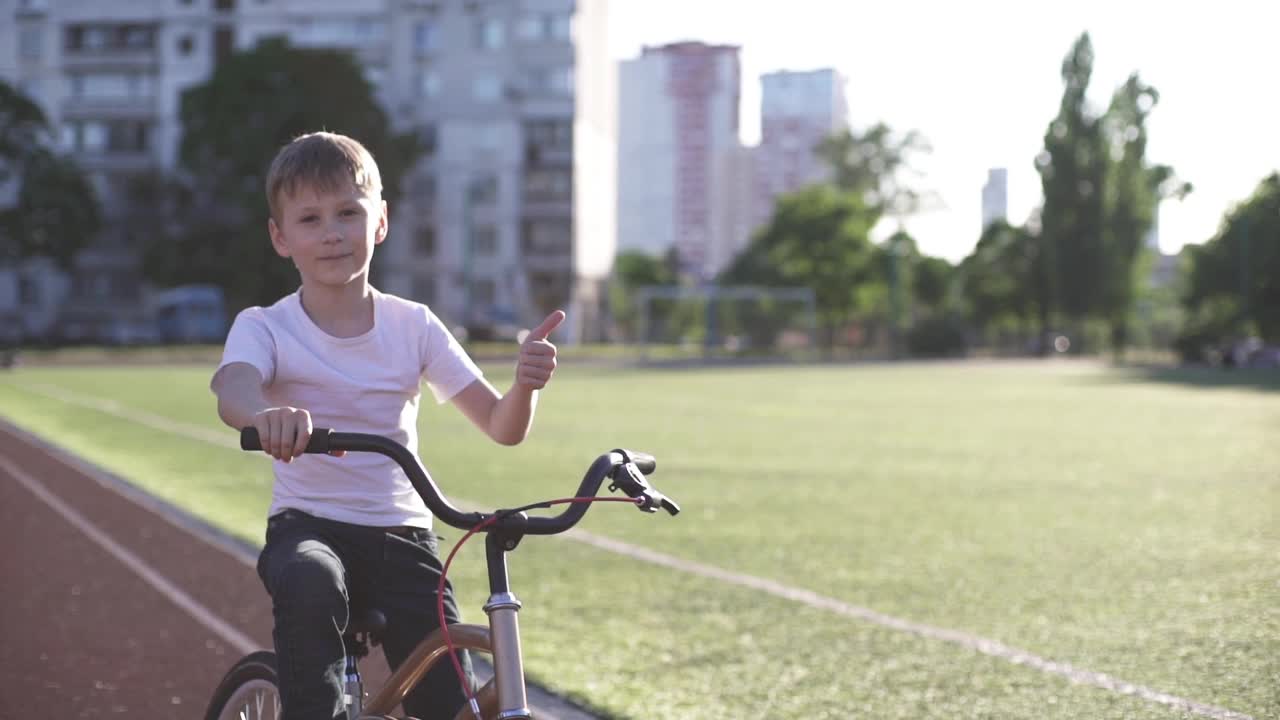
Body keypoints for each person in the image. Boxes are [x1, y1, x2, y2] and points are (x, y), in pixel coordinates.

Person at [210, 131, 563, 720]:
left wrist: (525, 385)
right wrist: (263, 415)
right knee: (311, 581)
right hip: (309, 528)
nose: (331, 232)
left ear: (380, 222)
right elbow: (234, 389)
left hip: (405, 538)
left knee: (451, 704)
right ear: (281, 238)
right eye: (310, 218)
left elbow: (503, 425)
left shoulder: (414, 325)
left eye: (349, 213)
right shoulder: (265, 326)